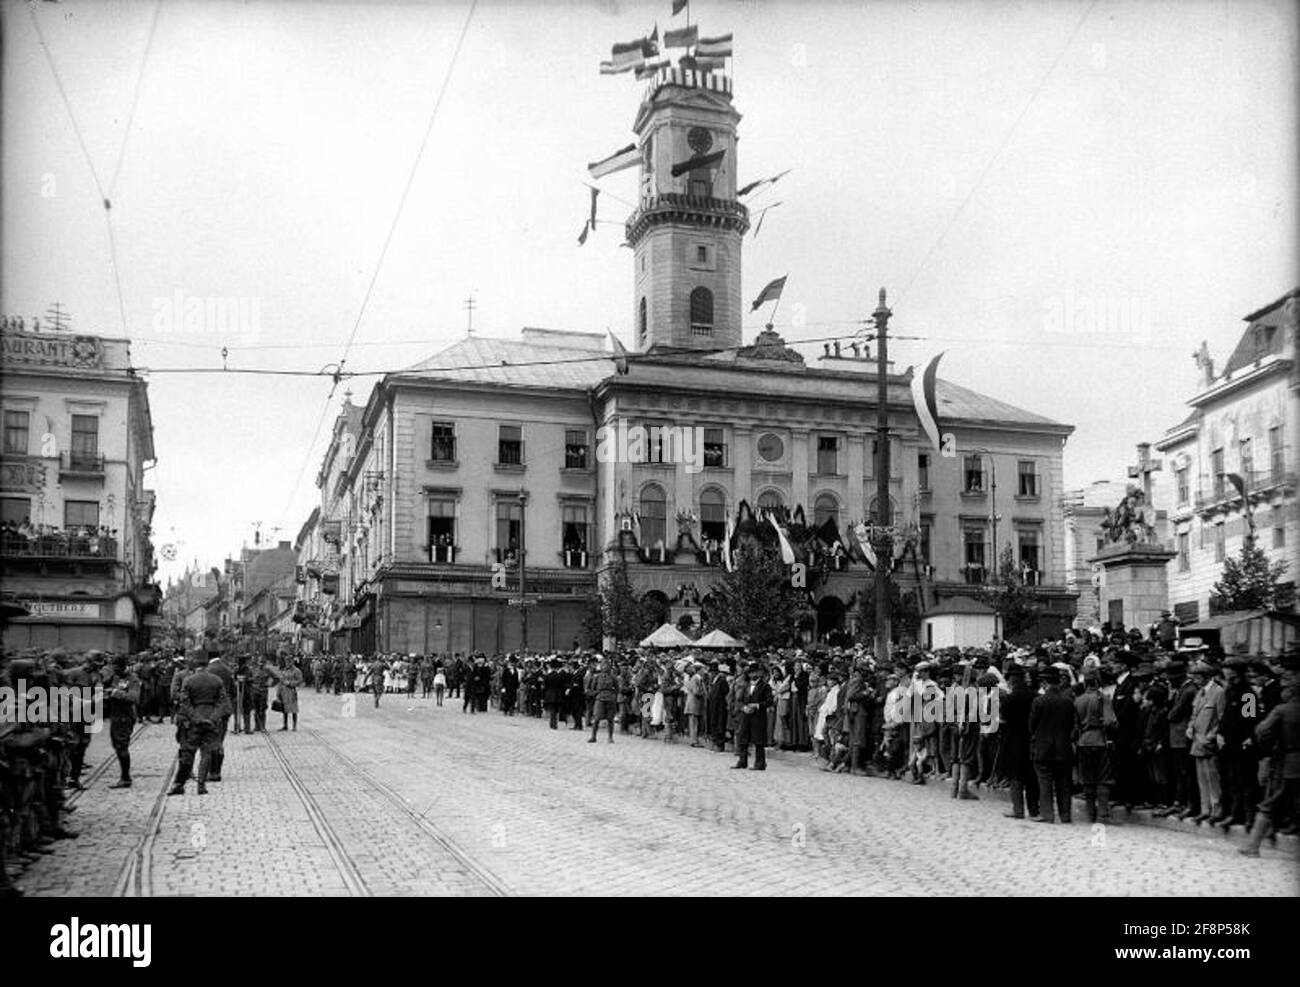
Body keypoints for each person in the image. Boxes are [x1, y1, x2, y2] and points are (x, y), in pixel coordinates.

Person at [168, 655, 230, 796]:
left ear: (195, 666)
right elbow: (223, 702)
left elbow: (185, 702)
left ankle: (180, 784)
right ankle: (201, 785)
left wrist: (196, 718)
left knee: (188, 752)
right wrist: (213, 718)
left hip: (193, 721)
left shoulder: (189, 680)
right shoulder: (216, 680)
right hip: (211, 719)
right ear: (207, 665)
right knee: (206, 753)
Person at [1029, 666, 1075, 824]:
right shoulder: (1068, 702)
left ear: (1044, 683)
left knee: (1045, 782)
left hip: (1043, 747)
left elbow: (1031, 726)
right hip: (1063, 747)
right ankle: (1065, 814)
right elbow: (1071, 725)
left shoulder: (1039, 701)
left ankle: (1047, 814)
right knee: (1064, 783)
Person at [1075, 669, 1118, 824]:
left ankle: (1090, 813)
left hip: (1083, 740)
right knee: (1103, 778)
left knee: (1087, 779)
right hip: (1100, 740)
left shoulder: (1078, 700)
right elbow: (1110, 721)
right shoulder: (1103, 698)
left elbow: (1075, 725)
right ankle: (1102, 814)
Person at [998, 664, 1039, 819]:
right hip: (1031, 740)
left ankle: (1018, 810)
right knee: (1031, 778)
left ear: (1011, 681)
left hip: (1013, 741)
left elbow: (1003, 721)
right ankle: (1034, 810)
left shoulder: (1009, 699)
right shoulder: (1034, 696)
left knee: (1016, 778)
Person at [1187, 660, 1225, 823]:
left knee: (1212, 777)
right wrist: (1190, 727)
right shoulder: (1200, 692)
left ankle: (1216, 809)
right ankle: (1205, 809)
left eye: (1197, 677)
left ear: (1206, 677)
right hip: (1197, 739)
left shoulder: (1218, 692)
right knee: (1201, 776)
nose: (1195, 680)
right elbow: (1194, 713)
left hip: (1208, 741)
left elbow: (1221, 717)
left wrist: (1212, 735)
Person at [101, 654, 141, 789]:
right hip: (115, 715)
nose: (113, 669)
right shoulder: (114, 677)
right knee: (117, 745)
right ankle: (125, 777)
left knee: (122, 746)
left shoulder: (132, 679)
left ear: (123, 666)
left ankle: (125, 778)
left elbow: (133, 697)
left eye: (116, 667)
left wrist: (115, 693)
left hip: (125, 716)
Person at [732, 662, 774, 771]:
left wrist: (757, 705)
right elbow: (739, 700)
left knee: (758, 740)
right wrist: (743, 708)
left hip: (758, 716)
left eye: (755, 672)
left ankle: (760, 763)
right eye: (751, 673)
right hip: (746, 715)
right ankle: (742, 761)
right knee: (743, 738)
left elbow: (769, 701)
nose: (753, 675)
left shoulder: (765, 686)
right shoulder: (746, 686)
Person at [206, 653, 236, 782]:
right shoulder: (227, 670)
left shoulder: (208, 670)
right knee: (219, 740)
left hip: (211, 710)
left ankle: (210, 771)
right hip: (225, 710)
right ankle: (216, 772)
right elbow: (234, 691)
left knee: (209, 741)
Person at [587, 656, 619, 744]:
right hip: (600, 698)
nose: (605, 667)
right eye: (604, 665)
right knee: (596, 718)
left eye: (607, 665)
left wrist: (613, 695)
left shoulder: (613, 677)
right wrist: (596, 694)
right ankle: (593, 736)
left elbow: (617, 688)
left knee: (610, 719)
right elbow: (591, 688)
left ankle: (610, 737)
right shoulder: (597, 677)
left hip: (610, 699)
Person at [269, 655, 303, 731]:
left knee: (294, 709)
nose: (287, 663)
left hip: (291, 692)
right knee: (284, 709)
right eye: (286, 661)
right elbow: (281, 681)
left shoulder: (296, 671)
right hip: (283, 692)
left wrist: (290, 683)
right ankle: (285, 725)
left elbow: (300, 681)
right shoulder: (284, 670)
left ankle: (294, 726)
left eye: (289, 661)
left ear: (292, 661)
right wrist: (278, 693)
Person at [542, 659, 567, 729]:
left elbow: (545, 686)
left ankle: (552, 723)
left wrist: (543, 695)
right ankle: (554, 722)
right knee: (555, 710)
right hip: (558, 694)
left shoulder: (547, 676)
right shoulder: (560, 676)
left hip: (549, 694)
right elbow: (563, 686)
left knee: (552, 710)